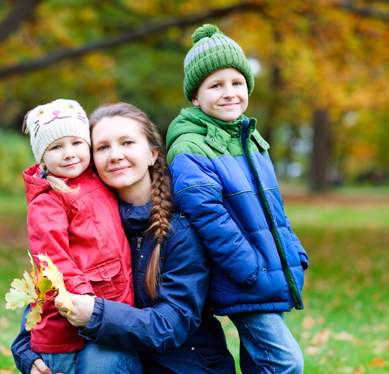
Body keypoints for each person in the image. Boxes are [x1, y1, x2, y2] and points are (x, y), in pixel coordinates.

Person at [13, 102, 235, 374]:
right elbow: (53, 276)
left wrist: (95, 314)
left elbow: (172, 324)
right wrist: (27, 352)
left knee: (101, 359)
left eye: (127, 142)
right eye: (103, 147)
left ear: (153, 153)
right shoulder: (85, 217)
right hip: (124, 356)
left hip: (182, 364)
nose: (115, 155)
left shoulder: (181, 226)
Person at [165, 24, 309, 374]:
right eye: (216, 85)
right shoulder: (191, 147)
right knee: (286, 363)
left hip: (263, 269)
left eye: (237, 83)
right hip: (242, 275)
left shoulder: (249, 139)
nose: (229, 93)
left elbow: (272, 209)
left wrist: (294, 250)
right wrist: (249, 270)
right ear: (196, 97)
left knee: (260, 362)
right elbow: (209, 218)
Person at [19, 99, 140, 374]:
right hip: (71, 323)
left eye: (76, 143)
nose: (69, 154)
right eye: (56, 147)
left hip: (107, 305)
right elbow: (52, 258)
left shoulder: (97, 179)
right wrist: (81, 298)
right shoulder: (47, 201)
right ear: (42, 158)